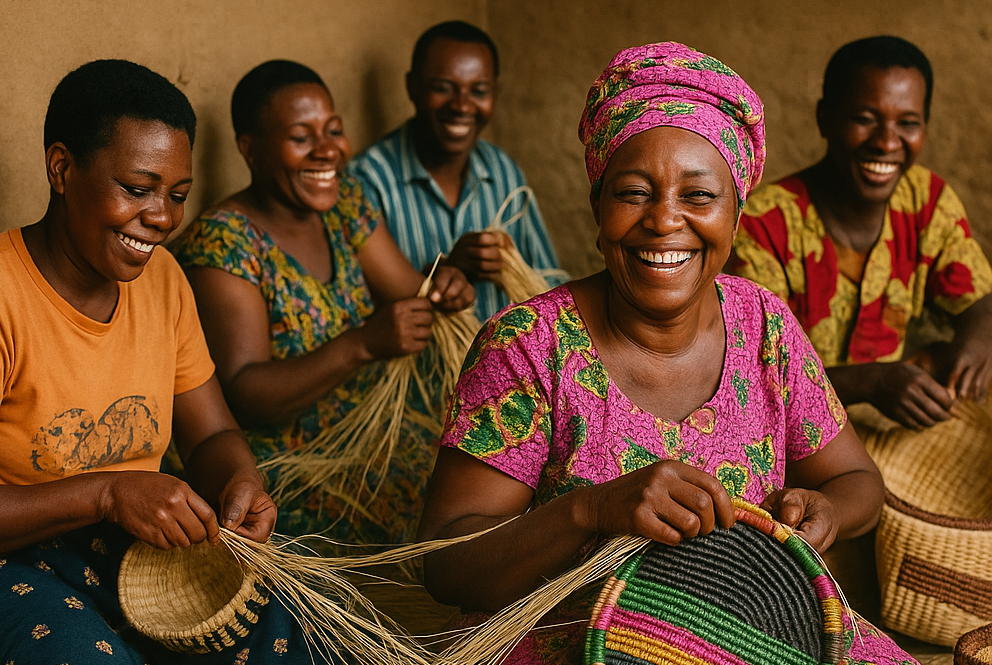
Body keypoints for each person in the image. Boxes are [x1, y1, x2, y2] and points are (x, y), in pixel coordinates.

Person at [416, 42, 914, 665]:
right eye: (633, 193)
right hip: (573, 645)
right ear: (597, 211)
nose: (664, 221)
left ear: (736, 218)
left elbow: (856, 480)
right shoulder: (528, 347)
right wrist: (591, 511)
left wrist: (826, 511)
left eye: (699, 197)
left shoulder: (764, 325)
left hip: (756, 636)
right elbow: (444, 564)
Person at [0, 60, 323, 663]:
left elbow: (211, 433)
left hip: (132, 549)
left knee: (293, 631)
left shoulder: (162, 280)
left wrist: (240, 481)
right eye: (137, 189)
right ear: (62, 168)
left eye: (177, 195)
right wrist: (107, 494)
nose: (161, 217)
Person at [171, 60, 474, 548]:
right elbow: (245, 392)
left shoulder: (344, 204)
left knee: (468, 486)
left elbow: (411, 288)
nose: (328, 149)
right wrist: (362, 345)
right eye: (301, 137)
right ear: (249, 150)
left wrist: (445, 287)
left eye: (333, 130)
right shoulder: (224, 243)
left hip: (371, 440)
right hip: (289, 468)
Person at [729, 36, 992, 430]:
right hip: (789, 441)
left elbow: (980, 304)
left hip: (890, 434)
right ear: (824, 119)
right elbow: (752, 383)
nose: (887, 143)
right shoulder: (763, 228)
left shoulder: (926, 201)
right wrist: (872, 381)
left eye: (908, 123)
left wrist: (975, 345)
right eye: (864, 119)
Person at [346, 20, 565, 321]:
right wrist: (450, 268)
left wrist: (513, 264)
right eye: (442, 88)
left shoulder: (501, 170)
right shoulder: (367, 180)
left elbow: (550, 287)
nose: (462, 105)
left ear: (495, 94)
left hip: (504, 364)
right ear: (412, 87)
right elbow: (360, 313)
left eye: (479, 91)